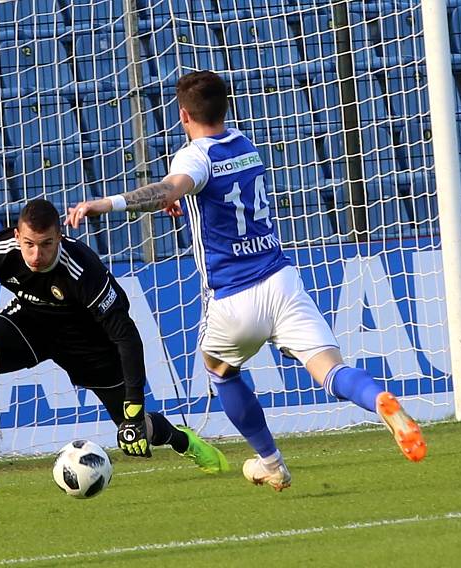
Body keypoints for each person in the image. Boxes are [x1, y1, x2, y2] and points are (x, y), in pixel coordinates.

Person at [66, 70, 427, 492]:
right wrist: (184, 198)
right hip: (282, 281)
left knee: (219, 371)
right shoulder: (245, 145)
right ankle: (379, 401)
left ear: (183, 114)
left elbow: (169, 189)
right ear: (225, 106)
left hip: (234, 297)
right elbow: (204, 191)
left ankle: (272, 463)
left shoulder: (193, 156)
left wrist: (104, 203)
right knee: (332, 370)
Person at [0, 198, 229, 504]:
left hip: (89, 340)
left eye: (47, 244)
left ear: (60, 236)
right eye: (29, 244)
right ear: (17, 236)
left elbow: (128, 338)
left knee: (135, 429)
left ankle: (183, 439)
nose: (36, 255)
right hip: (30, 323)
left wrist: (133, 409)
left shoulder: (83, 271)